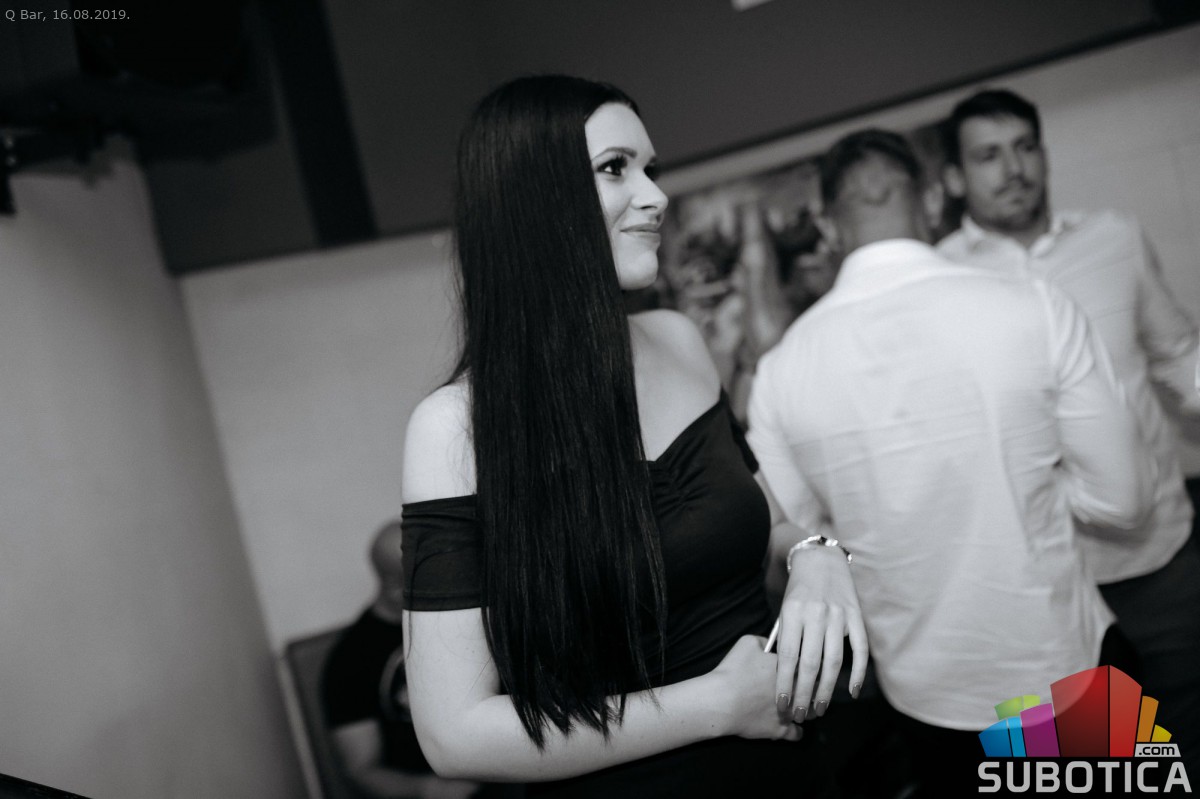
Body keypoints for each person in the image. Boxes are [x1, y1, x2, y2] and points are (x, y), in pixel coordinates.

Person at [398, 74, 867, 798]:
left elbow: (770, 522)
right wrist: (716, 704)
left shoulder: (679, 340)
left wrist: (818, 557)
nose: (657, 195)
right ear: (534, 199)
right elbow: (453, 734)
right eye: (616, 168)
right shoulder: (455, 429)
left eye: (652, 168)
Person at [746, 128, 1156, 795]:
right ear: (934, 199)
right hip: (1061, 675)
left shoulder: (780, 372)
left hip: (924, 702)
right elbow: (1126, 500)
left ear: (826, 222)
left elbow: (798, 548)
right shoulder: (1031, 304)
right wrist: (1034, 486)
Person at [936, 88, 1200, 775]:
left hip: (1160, 553)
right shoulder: (938, 279)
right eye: (988, 155)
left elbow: (1178, 356)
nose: (1013, 169)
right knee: (1103, 766)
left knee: (1192, 738)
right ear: (955, 177)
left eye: (1025, 147)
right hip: (1044, 587)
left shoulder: (1114, 238)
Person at [320, 521, 483, 799]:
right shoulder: (349, 661)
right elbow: (361, 769)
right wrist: (430, 789)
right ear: (395, 586)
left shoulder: (458, 617)